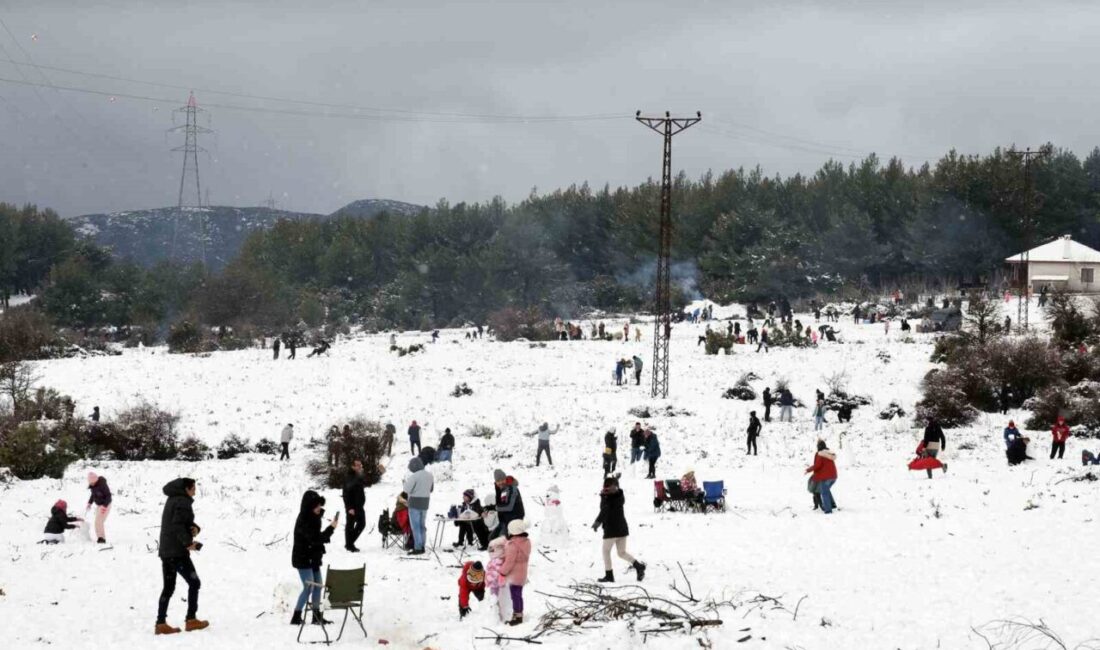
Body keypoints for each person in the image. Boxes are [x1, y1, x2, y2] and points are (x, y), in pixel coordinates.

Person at [156, 478, 208, 635]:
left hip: (167, 551)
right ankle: (191, 620)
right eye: (193, 488)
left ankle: (160, 623)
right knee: (194, 582)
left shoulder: (174, 499)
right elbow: (177, 525)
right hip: (176, 552)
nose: (195, 491)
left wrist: (194, 528)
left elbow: (181, 522)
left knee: (169, 587)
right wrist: (188, 543)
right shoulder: (183, 501)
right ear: (186, 488)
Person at [291, 490, 338, 626]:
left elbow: (316, 537)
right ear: (309, 507)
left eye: (319, 505)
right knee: (309, 588)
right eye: (316, 506)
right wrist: (331, 528)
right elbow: (315, 539)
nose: (319, 508)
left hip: (313, 557)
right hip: (303, 558)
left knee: (318, 587)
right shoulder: (303, 520)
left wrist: (329, 525)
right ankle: (296, 616)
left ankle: (316, 617)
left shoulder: (314, 516)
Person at [591, 476, 646, 583]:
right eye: (605, 486)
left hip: (612, 529)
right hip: (622, 529)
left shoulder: (609, 499)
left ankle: (609, 576)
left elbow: (604, 511)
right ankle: (638, 566)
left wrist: (597, 523)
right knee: (621, 552)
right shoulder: (619, 496)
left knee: (606, 551)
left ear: (615, 487)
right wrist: (605, 494)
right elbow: (608, 505)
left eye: (608, 487)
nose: (606, 489)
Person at [500, 519, 532, 626]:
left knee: (515, 596)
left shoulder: (512, 545)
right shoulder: (527, 542)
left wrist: (502, 572)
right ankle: (518, 614)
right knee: (518, 595)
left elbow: (509, 562)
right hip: (522, 574)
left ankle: (517, 616)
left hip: (514, 575)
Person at [403, 457, 434, 555]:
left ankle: (417, 547)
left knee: (415, 526)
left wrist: (405, 483)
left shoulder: (414, 476)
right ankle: (422, 546)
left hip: (414, 503)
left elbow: (406, 489)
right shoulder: (430, 475)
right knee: (422, 526)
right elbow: (431, 489)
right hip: (425, 502)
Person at [490, 469, 525, 539]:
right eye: (498, 481)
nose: (500, 482)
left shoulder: (512, 488)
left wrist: (495, 508)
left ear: (505, 479)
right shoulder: (502, 489)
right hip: (505, 520)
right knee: (491, 538)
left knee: (501, 540)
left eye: (502, 480)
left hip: (514, 519)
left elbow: (509, 507)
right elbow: (499, 504)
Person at [805, 440, 838, 514]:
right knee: (826, 490)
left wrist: (808, 470)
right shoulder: (829, 453)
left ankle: (828, 510)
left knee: (824, 493)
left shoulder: (820, 454)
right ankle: (833, 505)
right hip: (833, 477)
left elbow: (817, 465)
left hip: (825, 477)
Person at [342, 459, 366, 552]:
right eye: (358, 465)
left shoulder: (357, 475)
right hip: (352, 506)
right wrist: (349, 508)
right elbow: (346, 494)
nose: (360, 466)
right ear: (353, 466)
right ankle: (349, 544)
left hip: (359, 506)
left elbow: (363, 483)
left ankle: (349, 543)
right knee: (350, 525)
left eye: (360, 465)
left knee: (361, 524)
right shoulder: (350, 477)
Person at [486, 537, 512, 621]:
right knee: (499, 599)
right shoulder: (502, 560)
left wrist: (489, 579)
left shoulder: (496, 560)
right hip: (499, 583)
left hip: (496, 584)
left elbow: (494, 572)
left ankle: (497, 614)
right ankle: (498, 614)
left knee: (496, 598)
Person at [86, 471, 111, 544]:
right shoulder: (93, 486)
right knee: (97, 522)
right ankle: (99, 538)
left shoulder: (102, 485)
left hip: (106, 504)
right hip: (99, 505)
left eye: (92, 482)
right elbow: (93, 495)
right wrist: (89, 503)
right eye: (90, 482)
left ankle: (102, 539)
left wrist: (105, 506)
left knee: (99, 521)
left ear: (96, 480)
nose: (91, 484)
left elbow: (108, 496)